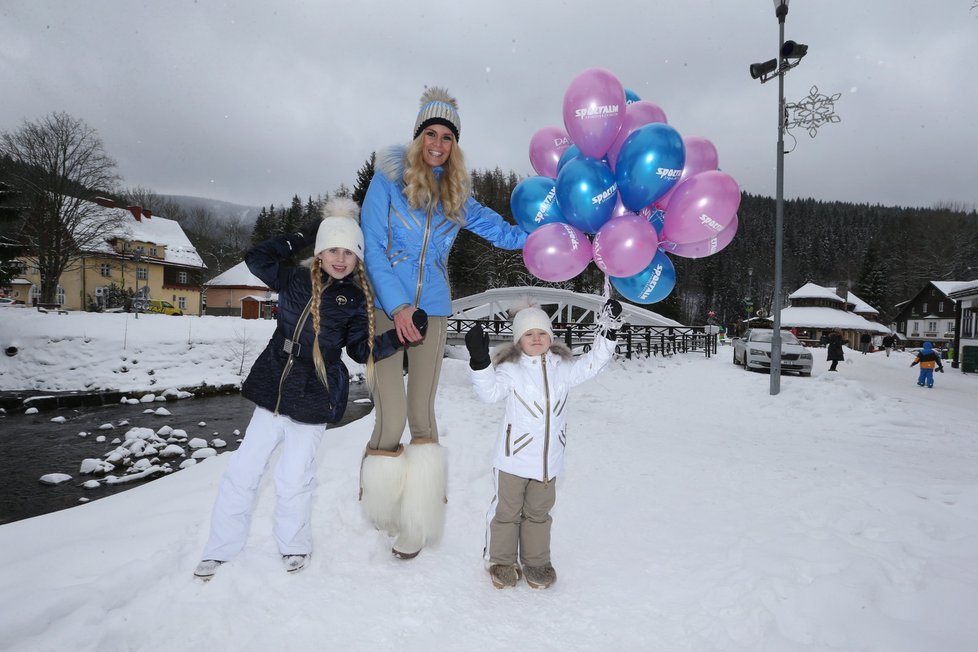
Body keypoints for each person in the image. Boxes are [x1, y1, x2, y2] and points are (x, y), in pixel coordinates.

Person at [194, 198, 406, 580]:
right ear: (320, 252)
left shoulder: (356, 299)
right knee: (243, 471)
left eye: (348, 251)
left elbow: (361, 350)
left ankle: (293, 545)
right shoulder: (292, 279)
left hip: (315, 391)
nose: (340, 258)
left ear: (358, 258)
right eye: (332, 249)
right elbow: (257, 257)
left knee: (294, 476)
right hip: (274, 384)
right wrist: (307, 233)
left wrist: (402, 338)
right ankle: (219, 548)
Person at [359, 86, 528, 560]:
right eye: (430, 134)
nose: (437, 143)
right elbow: (372, 247)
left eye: (447, 137)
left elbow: (504, 234)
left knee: (421, 414)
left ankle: (418, 518)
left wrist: (551, 229)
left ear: (455, 144)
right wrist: (396, 307)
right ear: (417, 137)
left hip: (432, 309)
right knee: (389, 415)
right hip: (385, 311)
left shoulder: (457, 195)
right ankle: (383, 502)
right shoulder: (387, 181)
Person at [465, 300, 621, 589]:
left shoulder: (563, 367)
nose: (536, 338)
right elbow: (488, 393)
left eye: (542, 333)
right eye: (528, 333)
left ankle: (536, 561)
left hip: (549, 460)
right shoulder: (511, 370)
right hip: (513, 459)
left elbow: (591, 365)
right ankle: (501, 560)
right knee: (507, 513)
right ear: (518, 340)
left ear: (550, 337)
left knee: (539, 514)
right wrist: (480, 362)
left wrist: (607, 334)